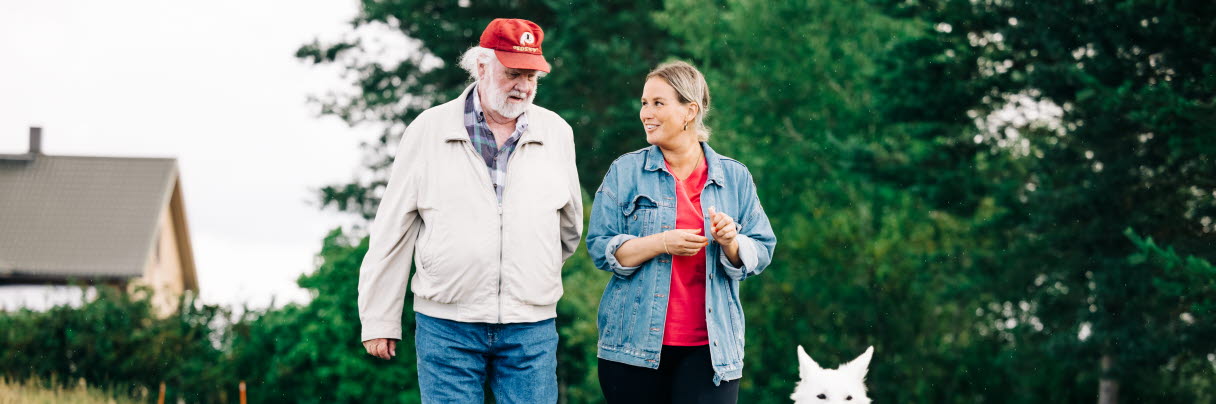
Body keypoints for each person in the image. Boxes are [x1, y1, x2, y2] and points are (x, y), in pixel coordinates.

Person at [357, 18, 582, 403]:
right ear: (481, 66)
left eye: (532, 75)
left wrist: (527, 276)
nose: (524, 86)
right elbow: (393, 230)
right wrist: (379, 317)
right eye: (513, 73)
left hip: (530, 325)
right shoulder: (427, 130)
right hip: (446, 324)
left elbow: (568, 228)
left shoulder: (557, 132)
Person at [585, 60, 776, 404]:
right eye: (644, 103)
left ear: (690, 111)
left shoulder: (735, 177)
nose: (646, 113)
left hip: (711, 352)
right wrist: (661, 243)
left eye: (658, 103)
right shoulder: (625, 172)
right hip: (632, 349)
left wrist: (732, 242)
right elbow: (600, 248)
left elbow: (762, 249)